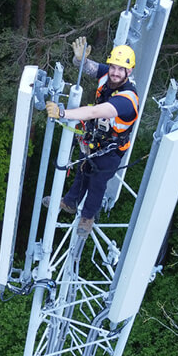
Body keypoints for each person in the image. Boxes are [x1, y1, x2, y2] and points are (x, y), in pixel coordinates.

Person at [43, 36, 139, 238]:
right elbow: (88, 68)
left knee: (97, 182)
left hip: (112, 149)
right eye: (113, 67)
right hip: (96, 138)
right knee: (83, 170)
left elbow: (94, 113)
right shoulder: (108, 75)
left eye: (120, 70)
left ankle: (88, 217)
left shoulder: (127, 100)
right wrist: (80, 60)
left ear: (128, 72)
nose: (114, 72)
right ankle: (70, 202)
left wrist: (62, 113)